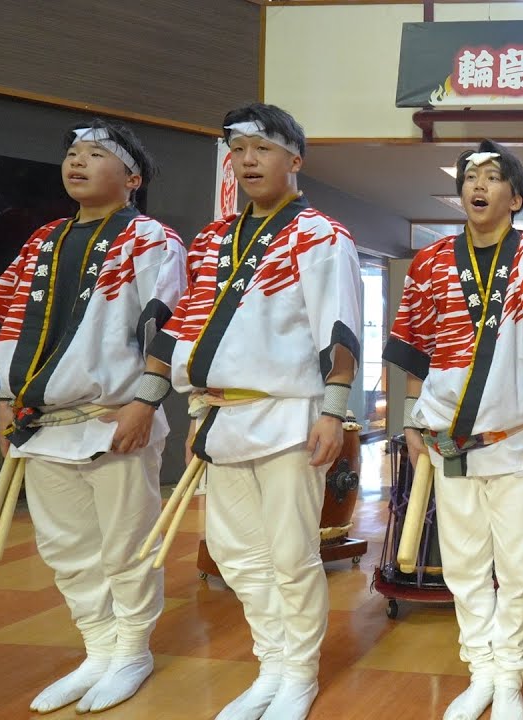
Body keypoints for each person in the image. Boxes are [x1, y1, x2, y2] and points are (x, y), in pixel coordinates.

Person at [146, 103, 362, 720]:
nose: (247, 161)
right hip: (219, 417)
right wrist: (193, 412)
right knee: (235, 552)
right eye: (238, 150)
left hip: (290, 413)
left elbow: (340, 329)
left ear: (294, 159)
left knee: (292, 552)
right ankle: (272, 661)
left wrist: (334, 411)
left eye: (261, 149)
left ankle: (300, 673)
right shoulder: (213, 239)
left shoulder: (322, 235)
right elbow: (189, 327)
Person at [385, 140, 523, 720]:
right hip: (447, 445)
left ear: (516, 195)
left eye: (491, 176)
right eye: (469, 177)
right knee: (461, 566)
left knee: (513, 563)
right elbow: (412, 352)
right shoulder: (430, 264)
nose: (476, 185)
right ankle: (480, 668)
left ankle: (510, 675)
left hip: (513, 442)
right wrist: (411, 419)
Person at [0, 119, 186, 714]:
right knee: (66, 546)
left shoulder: (151, 239)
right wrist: (4, 399)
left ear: (132, 177)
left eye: (95, 155)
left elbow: (167, 327)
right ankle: (97, 648)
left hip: (112, 415)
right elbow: (11, 326)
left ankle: (132, 651)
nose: (77, 163)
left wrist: (147, 400)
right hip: (40, 422)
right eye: (72, 154)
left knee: (126, 544)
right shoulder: (42, 239)